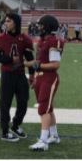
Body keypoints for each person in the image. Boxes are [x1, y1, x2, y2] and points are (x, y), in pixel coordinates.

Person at [24, 15, 64, 151]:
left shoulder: (53, 41)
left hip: (49, 77)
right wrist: (34, 75)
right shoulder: (42, 41)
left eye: (41, 25)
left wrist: (37, 66)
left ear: (47, 27)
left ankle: (43, 141)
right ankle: (54, 135)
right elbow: (38, 63)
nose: (38, 27)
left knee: (43, 109)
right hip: (41, 77)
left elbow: (55, 64)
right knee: (48, 108)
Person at [0, 13, 34, 142]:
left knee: (23, 102)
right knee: (5, 103)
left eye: (8, 21)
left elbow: (30, 58)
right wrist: (10, 59)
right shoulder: (1, 38)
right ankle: (5, 131)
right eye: (5, 21)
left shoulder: (25, 39)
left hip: (20, 75)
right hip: (7, 75)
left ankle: (15, 125)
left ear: (15, 22)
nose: (6, 23)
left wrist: (32, 74)